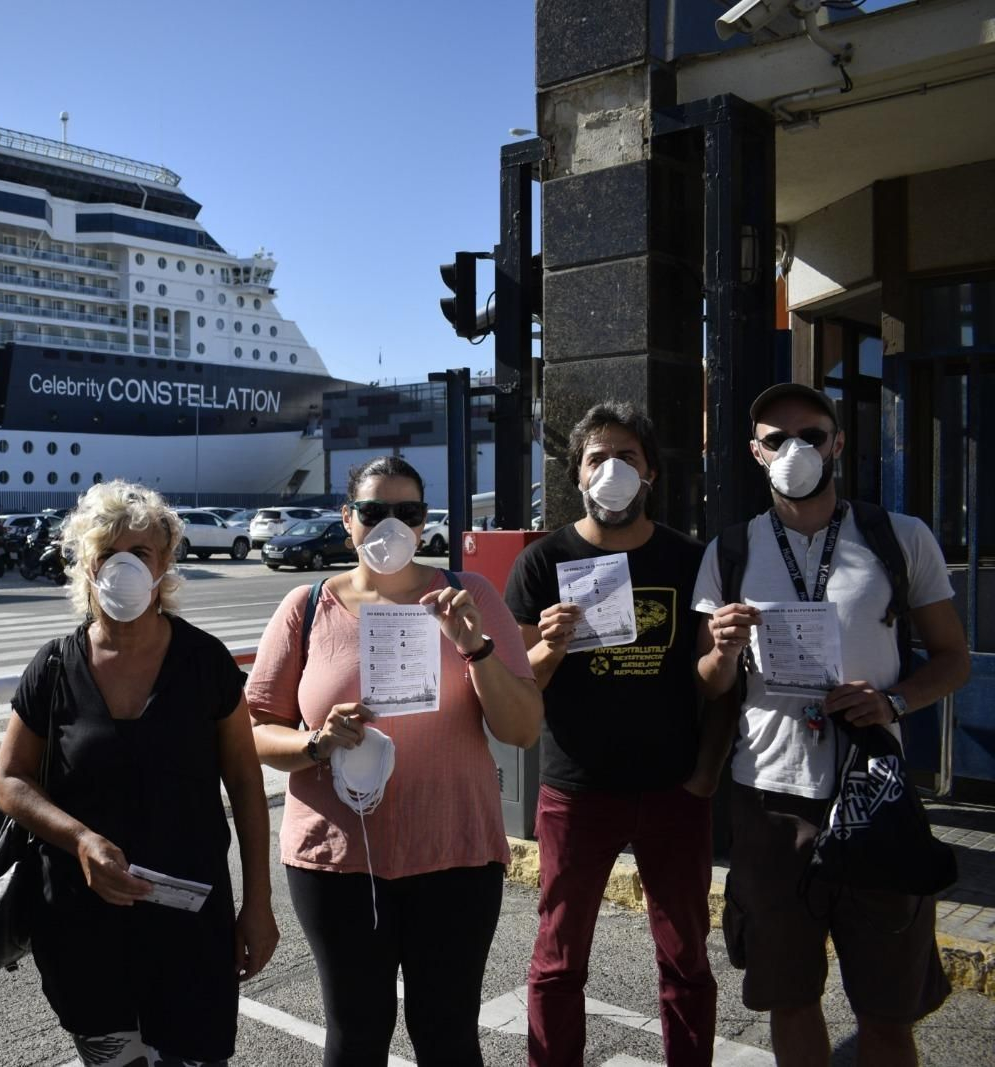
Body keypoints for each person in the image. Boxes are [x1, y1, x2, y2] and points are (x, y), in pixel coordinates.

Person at [694, 383, 971, 1066]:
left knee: (887, 1007)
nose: (796, 450)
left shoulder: (899, 537)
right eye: (777, 438)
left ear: (838, 444)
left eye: (811, 434)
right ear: (756, 453)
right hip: (769, 800)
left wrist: (894, 701)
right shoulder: (730, 550)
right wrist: (723, 650)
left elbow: (954, 658)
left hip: (872, 794)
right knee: (790, 996)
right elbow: (710, 680)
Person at [248, 455, 543, 1066]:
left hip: (455, 855)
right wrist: (315, 743)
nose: (391, 526)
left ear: (424, 520)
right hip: (338, 862)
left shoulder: (470, 596)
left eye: (407, 513)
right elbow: (254, 729)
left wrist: (475, 648)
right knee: (355, 1035)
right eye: (374, 511)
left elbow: (521, 728)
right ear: (347, 520)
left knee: (448, 1034)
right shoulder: (306, 608)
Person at [0, 480, 278, 1067]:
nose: (123, 568)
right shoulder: (52, 665)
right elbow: (9, 782)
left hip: (190, 927)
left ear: (165, 563)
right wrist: (81, 840)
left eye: (140, 554)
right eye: (108, 555)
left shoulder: (205, 663)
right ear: (85, 565)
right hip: (81, 926)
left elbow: (247, 786)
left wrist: (258, 904)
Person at [503, 403, 725, 1067]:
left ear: (650, 470)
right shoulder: (545, 563)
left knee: (686, 956)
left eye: (627, 456)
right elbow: (520, 684)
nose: (613, 470)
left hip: (673, 790)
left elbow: (714, 679)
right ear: (577, 473)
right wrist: (549, 645)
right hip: (577, 789)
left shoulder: (689, 557)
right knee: (557, 959)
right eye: (597, 457)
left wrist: (703, 777)